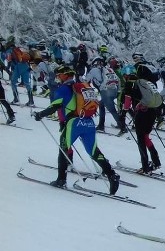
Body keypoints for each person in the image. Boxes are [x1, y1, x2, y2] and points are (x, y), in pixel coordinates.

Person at [31, 66, 120, 194]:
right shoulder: (80, 87)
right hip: (88, 122)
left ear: (65, 75)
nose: (57, 77)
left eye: (59, 75)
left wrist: (40, 115)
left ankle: (61, 180)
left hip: (74, 123)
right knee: (94, 151)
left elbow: (54, 106)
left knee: (63, 148)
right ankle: (112, 174)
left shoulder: (63, 89)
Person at [118, 65, 162, 173]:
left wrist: (123, 114)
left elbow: (127, 101)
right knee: (146, 137)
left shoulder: (130, 84)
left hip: (142, 113)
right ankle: (156, 161)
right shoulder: (145, 82)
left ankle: (145, 167)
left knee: (141, 140)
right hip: (152, 111)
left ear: (126, 75)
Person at [85, 57, 121, 132]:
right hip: (114, 91)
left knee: (112, 110)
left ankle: (122, 126)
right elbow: (118, 79)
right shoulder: (108, 69)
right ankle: (101, 125)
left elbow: (86, 80)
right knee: (101, 105)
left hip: (106, 91)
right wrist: (118, 91)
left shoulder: (94, 70)